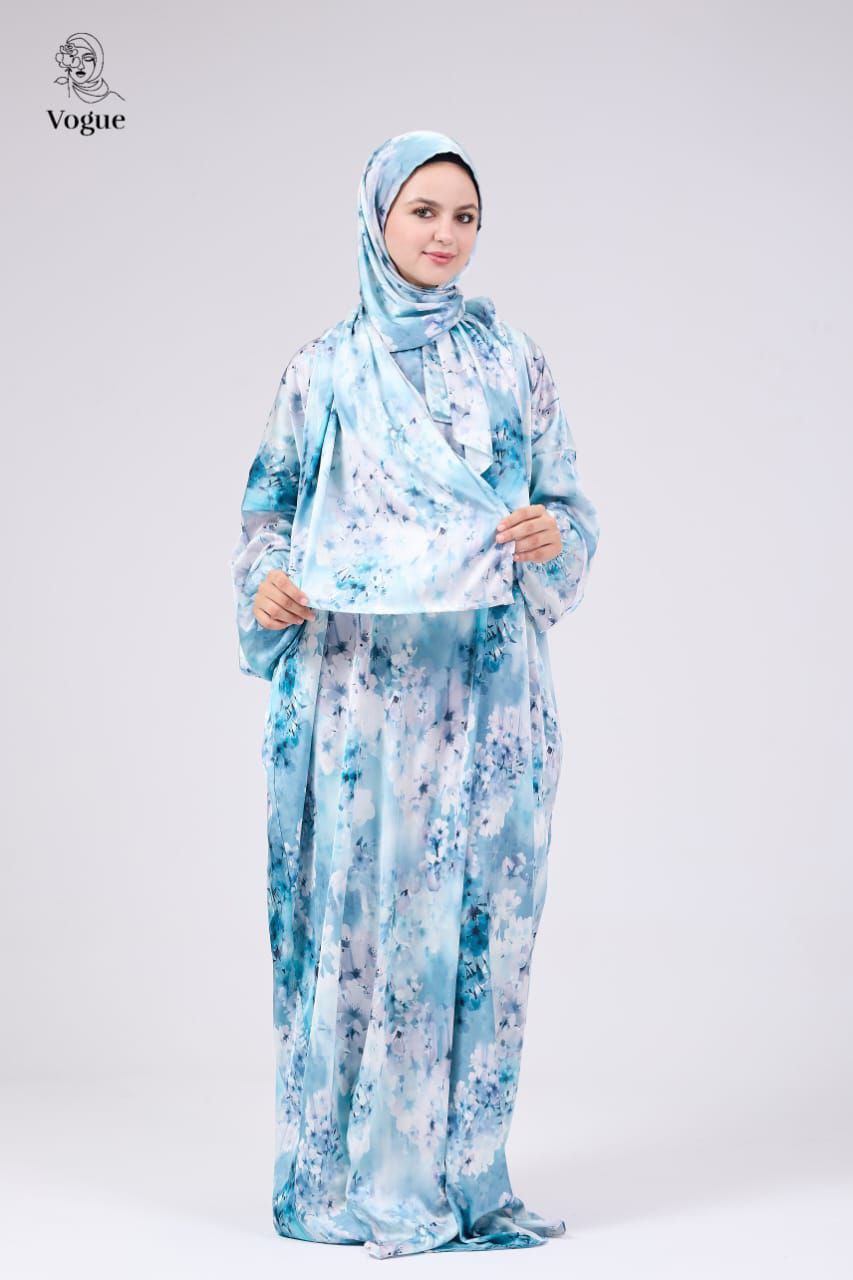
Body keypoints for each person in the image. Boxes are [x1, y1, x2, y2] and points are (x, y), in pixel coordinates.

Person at [230, 129, 600, 1260]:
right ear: (377, 218)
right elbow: (267, 516)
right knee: (352, 917)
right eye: (423, 212)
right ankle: (342, 1175)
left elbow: (567, 510)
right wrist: (269, 584)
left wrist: (549, 536)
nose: (445, 235)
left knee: (479, 930)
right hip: (357, 698)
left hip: (484, 695)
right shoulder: (323, 372)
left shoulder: (514, 363)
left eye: (464, 217)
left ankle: (459, 1173)